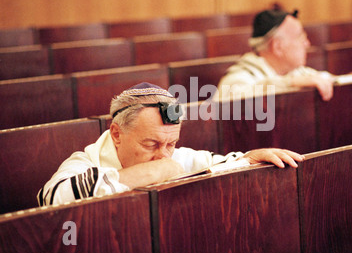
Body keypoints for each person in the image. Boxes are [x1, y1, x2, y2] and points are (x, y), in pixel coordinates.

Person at [38, 82, 305, 206]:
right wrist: (155, 172)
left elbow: (221, 164)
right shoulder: (84, 162)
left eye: (171, 144)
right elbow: (50, 199)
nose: (163, 155)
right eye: (151, 144)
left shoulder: (176, 155)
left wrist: (251, 157)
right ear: (117, 134)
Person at [216, 9, 352, 101]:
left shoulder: (298, 72)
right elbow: (235, 100)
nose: (307, 44)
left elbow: (331, 83)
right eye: (301, 37)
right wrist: (290, 83)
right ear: (278, 47)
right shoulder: (239, 75)